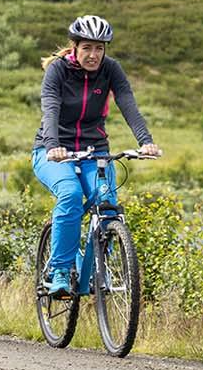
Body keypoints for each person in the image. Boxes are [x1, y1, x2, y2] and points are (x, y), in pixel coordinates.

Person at [32, 15, 161, 299]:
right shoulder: (58, 71)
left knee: (107, 204)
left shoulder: (111, 70)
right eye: (87, 47)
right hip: (52, 151)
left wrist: (145, 141)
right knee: (69, 195)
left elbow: (128, 104)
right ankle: (60, 271)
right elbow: (50, 109)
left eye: (99, 48)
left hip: (94, 151)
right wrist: (53, 145)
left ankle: (99, 268)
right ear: (75, 47)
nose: (94, 55)